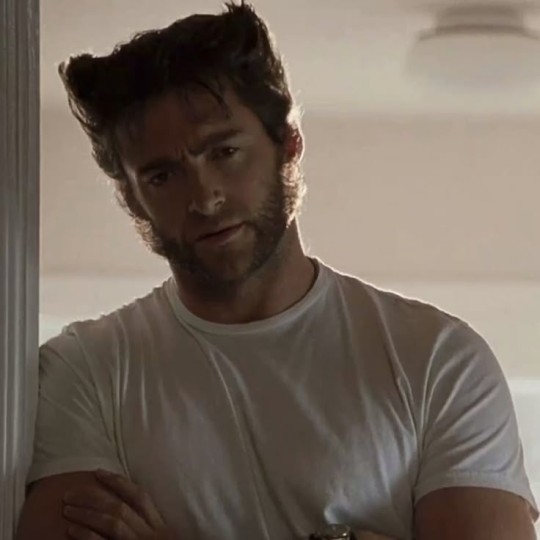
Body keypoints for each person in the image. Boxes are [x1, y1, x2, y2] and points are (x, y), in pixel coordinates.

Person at [16, 2, 539, 539]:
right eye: (162, 176)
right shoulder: (85, 370)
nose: (205, 197)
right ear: (131, 198)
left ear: (288, 144)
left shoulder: (437, 359)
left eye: (224, 152)